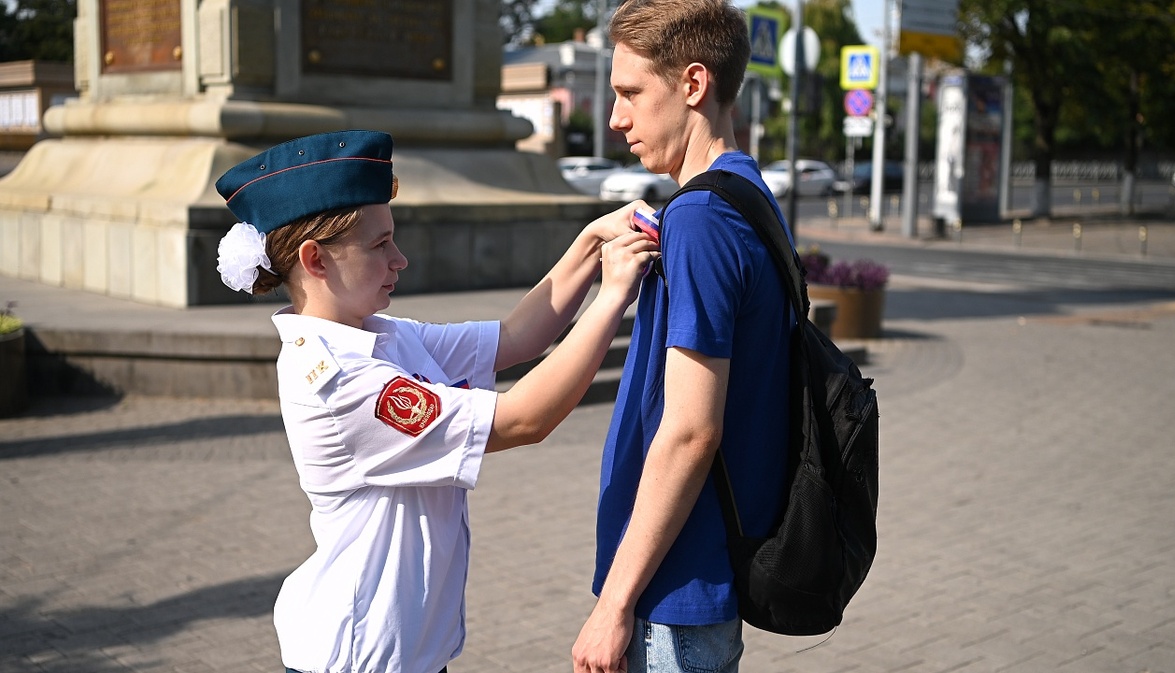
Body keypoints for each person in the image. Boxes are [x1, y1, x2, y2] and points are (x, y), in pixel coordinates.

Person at [213, 129, 658, 673]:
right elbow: (524, 419)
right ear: (316, 259)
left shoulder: (383, 335)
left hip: (407, 654)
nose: (400, 260)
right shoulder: (335, 381)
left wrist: (591, 243)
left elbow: (517, 336)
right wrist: (613, 295)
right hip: (360, 659)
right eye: (379, 245)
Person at [571, 2, 794, 672]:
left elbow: (692, 428)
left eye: (631, 93)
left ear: (693, 84)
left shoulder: (698, 217)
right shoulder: (747, 194)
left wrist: (613, 604)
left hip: (673, 595)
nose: (616, 118)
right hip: (697, 583)